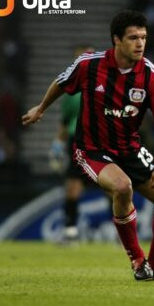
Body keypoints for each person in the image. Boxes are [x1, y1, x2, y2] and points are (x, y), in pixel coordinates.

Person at [22, 10, 154, 281]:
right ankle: (137, 260)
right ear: (116, 40)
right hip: (91, 149)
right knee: (122, 187)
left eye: (143, 37)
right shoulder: (88, 64)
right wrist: (41, 108)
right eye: (133, 38)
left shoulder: (152, 76)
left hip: (130, 149)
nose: (140, 44)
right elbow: (62, 83)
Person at [49, 44, 95, 244]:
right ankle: (70, 230)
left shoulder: (108, 84)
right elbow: (65, 121)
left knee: (115, 188)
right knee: (74, 186)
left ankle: (123, 233)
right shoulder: (70, 91)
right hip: (77, 141)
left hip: (103, 140)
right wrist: (57, 145)